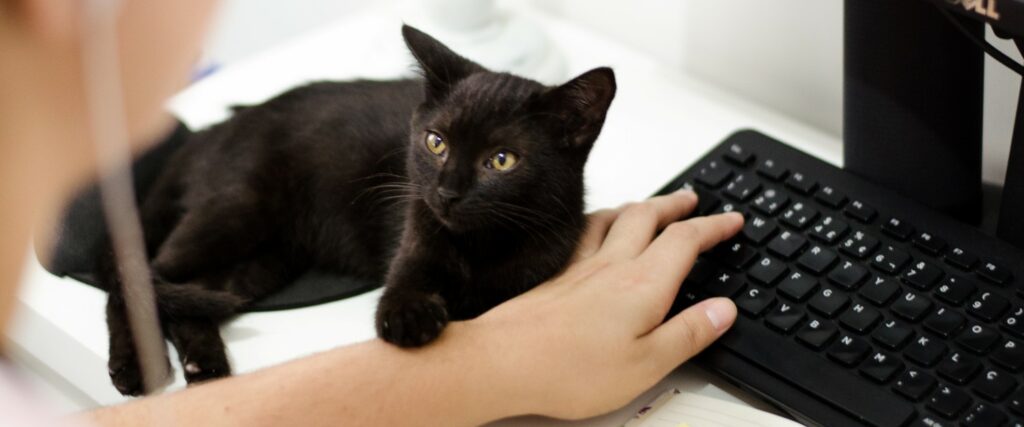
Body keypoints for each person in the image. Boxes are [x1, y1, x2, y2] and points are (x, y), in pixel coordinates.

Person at [0, 1, 743, 425]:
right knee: (229, 223)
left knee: (260, 265)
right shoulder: (427, 196)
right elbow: (404, 304)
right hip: (284, 149)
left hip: (316, 225)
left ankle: (184, 309)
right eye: (437, 144)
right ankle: (146, 290)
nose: (446, 185)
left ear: (576, 132)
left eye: (499, 162)